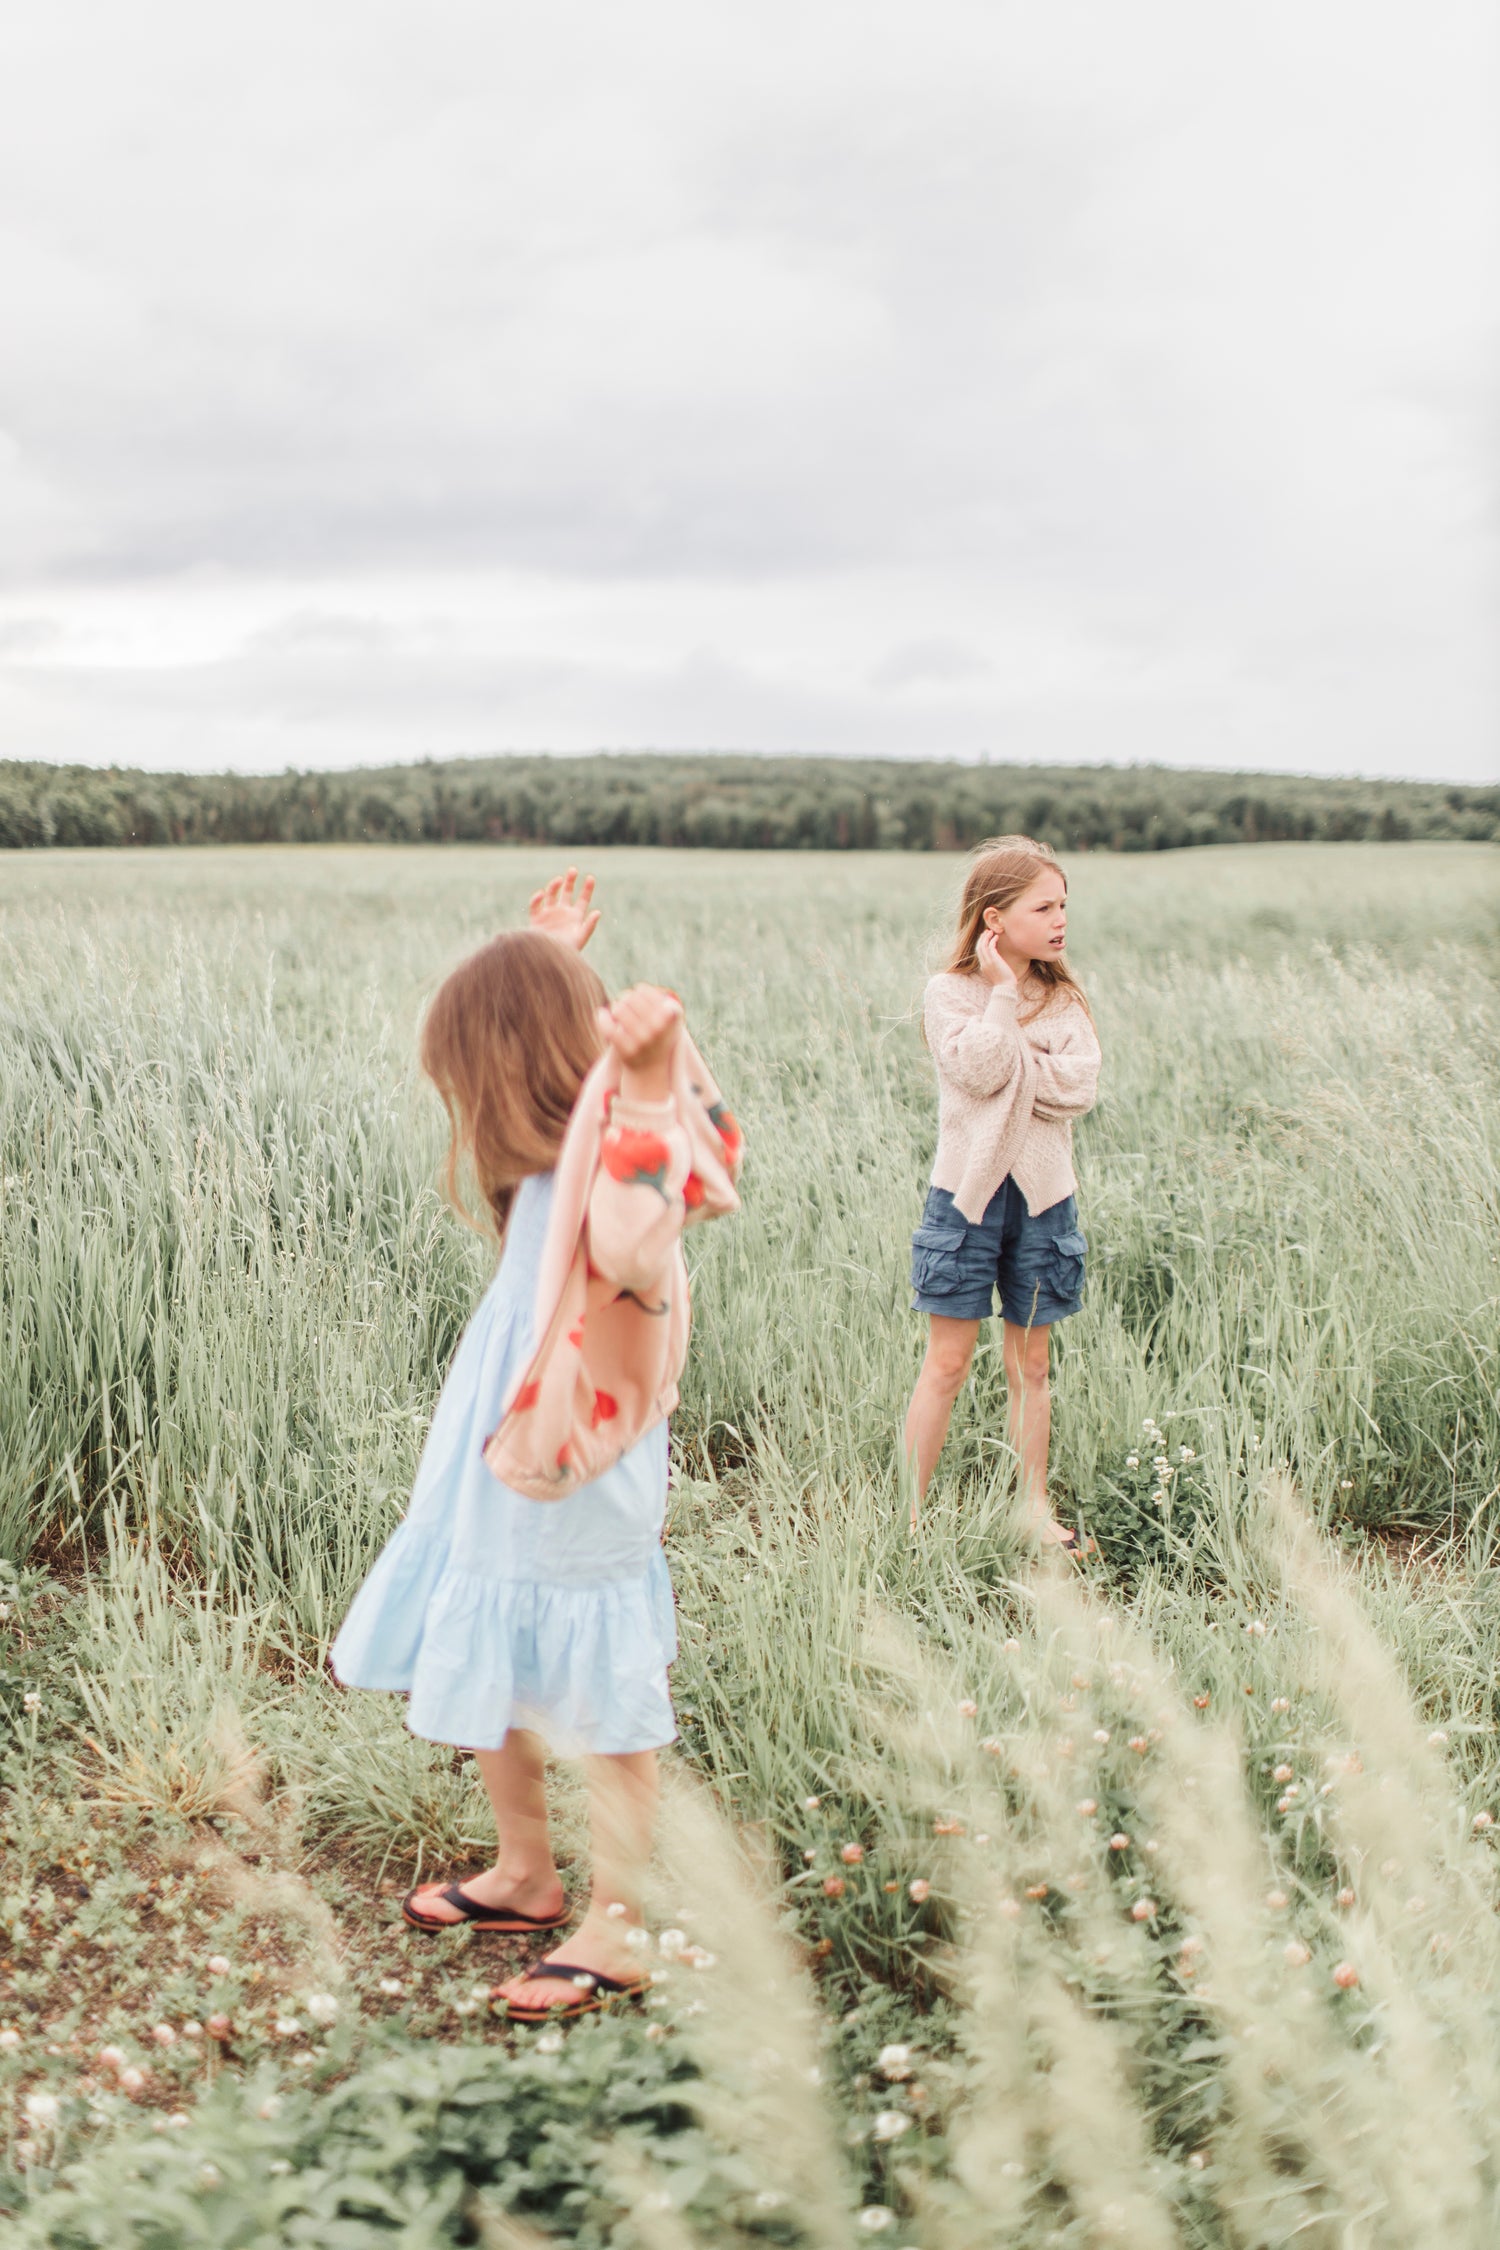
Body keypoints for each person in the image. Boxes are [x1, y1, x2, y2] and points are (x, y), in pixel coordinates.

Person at [330, 871, 742, 2019]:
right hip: (505, 1426)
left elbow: (640, 1234)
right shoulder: (548, 1145)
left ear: (504, 1073)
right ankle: (524, 1871)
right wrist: (543, 955)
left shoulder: (619, 1148)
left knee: (598, 1677)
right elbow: (544, 1035)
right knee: (496, 1627)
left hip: (581, 1447)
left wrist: (655, 1083)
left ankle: (617, 1923)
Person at [902, 837, 1100, 1548]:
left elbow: (1077, 1087)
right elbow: (981, 1074)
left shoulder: (1066, 997)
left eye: (1063, 906)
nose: (1059, 921)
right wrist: (1007, 1003)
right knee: (948, 1362)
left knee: (1033, 1364)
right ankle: (912, 1519)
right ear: (995, 920)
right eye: (1043, 907)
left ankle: (1034, 1509)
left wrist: (1015, 1057)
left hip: (1045, 1199)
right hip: (965, 1200)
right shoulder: (948, 994)